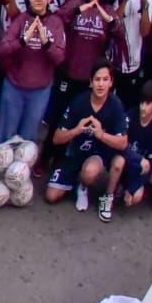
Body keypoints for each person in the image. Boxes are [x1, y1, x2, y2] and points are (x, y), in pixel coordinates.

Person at [44, 63, 129, 222]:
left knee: (90, 171)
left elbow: (123, 143)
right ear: (90, 82)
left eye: (105, 79)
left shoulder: (116, 105)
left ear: (111, 82)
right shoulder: (79, 102)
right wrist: (76, 130)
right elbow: (56, 138)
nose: (101, 84)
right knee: (51, 196)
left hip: (97, 155)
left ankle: (83, 186)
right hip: (75, 154)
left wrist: (101, 135)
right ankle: (73, 180)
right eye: (97, 79)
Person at [0, 0, 67, 142]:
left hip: (40, 91)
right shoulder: (21, 20)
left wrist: (46, 43)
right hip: (14, 87)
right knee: (5, 136)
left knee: (27, 139)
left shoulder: (56, 22)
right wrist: (22, 40)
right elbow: (2, 50)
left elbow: (60, 58)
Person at [122, 80, 152, 209]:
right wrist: (137, 158)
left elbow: (151, 163)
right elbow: (120, 145)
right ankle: (119, 185)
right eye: (142, 102)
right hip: (125, 161)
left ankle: (135, 189)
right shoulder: (130, 116)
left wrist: (132, 188)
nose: (143, 107)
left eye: (147, 103)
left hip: (139, 169)